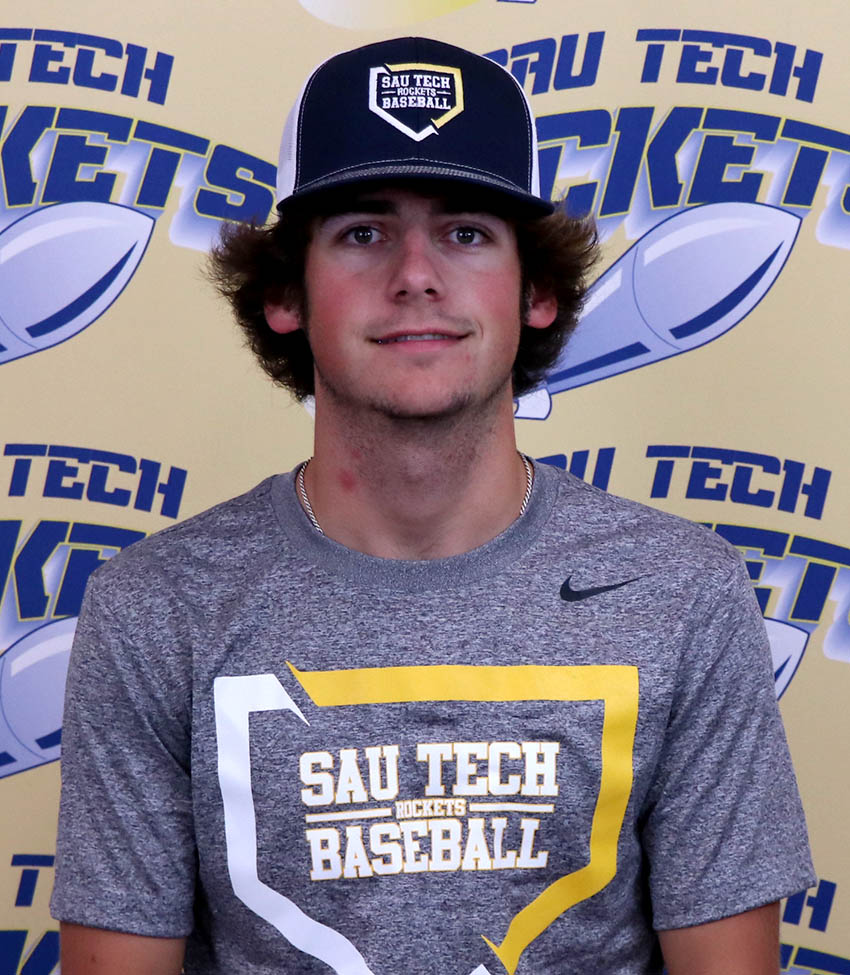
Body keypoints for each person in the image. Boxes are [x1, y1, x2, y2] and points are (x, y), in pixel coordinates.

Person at [51, 36, 815, 975]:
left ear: (535, 290)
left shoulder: (681, 592)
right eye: (364, 232)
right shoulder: (157, 607)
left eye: (465, 232)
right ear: (288, 293)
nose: (416, 273)